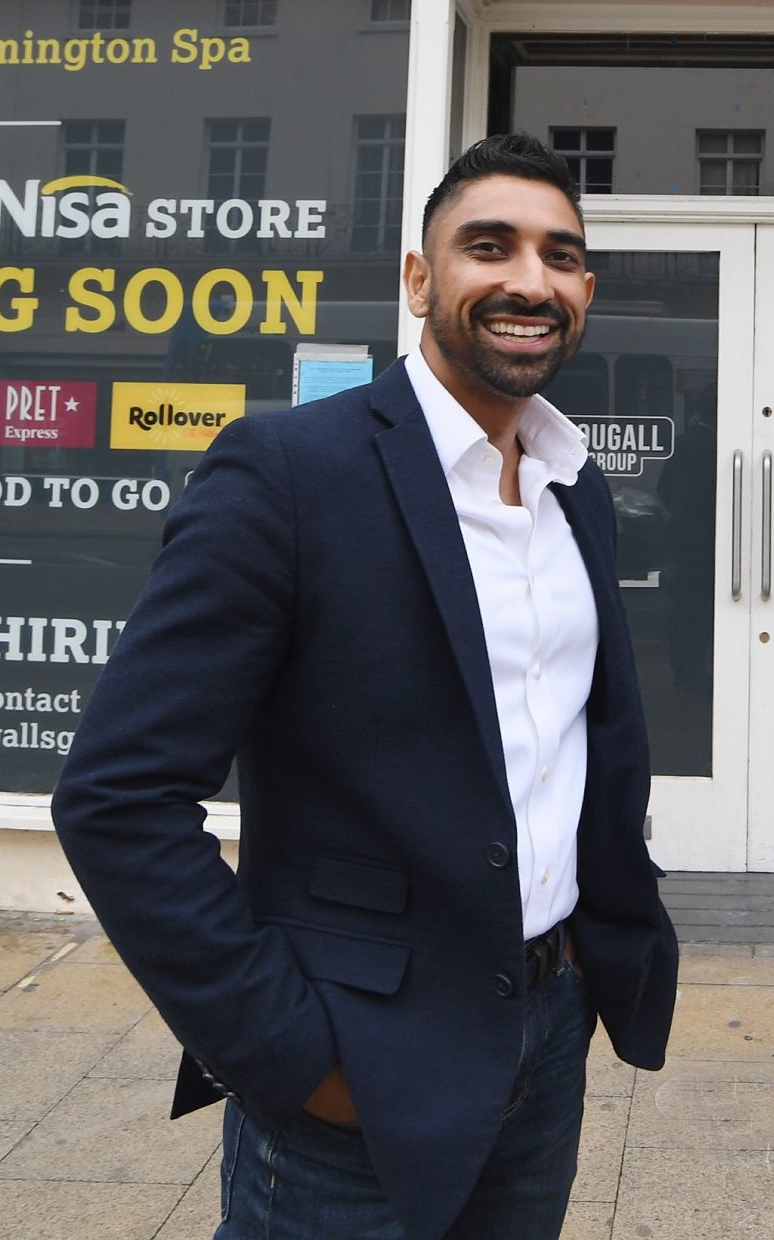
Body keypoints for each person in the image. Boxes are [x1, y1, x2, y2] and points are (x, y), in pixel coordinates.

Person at [53, 133, 678, 1240]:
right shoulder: (290, 471)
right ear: (418, 278)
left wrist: (584, 967)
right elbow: (118, 797)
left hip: (544, 1028)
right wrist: (291, 1053)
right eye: (489, 246)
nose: (529, 280)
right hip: (357, 1067)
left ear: (584, 288)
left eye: (560, 255)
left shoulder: (574, 487)